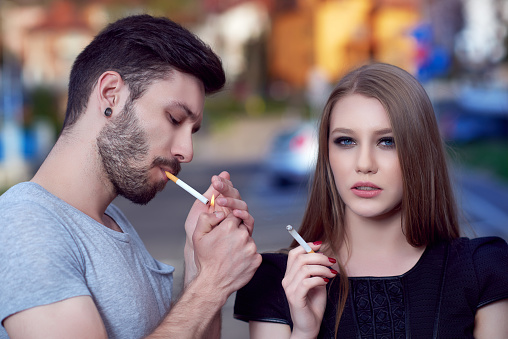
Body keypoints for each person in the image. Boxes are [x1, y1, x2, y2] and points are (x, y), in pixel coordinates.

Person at [0, 14, 261, 339]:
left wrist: (199, 264)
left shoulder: (114, 224)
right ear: (111, 95)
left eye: (193, 130)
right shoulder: (24, 223)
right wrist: (210, 285)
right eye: (174, 118)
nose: (186, 151)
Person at [234, 63, 508, 338]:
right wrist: (304, 331)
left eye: (387, 142)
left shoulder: (483, 269)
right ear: (327, 153)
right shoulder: (276, 281)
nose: (364, 164)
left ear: (421, 152)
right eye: (346, 141)